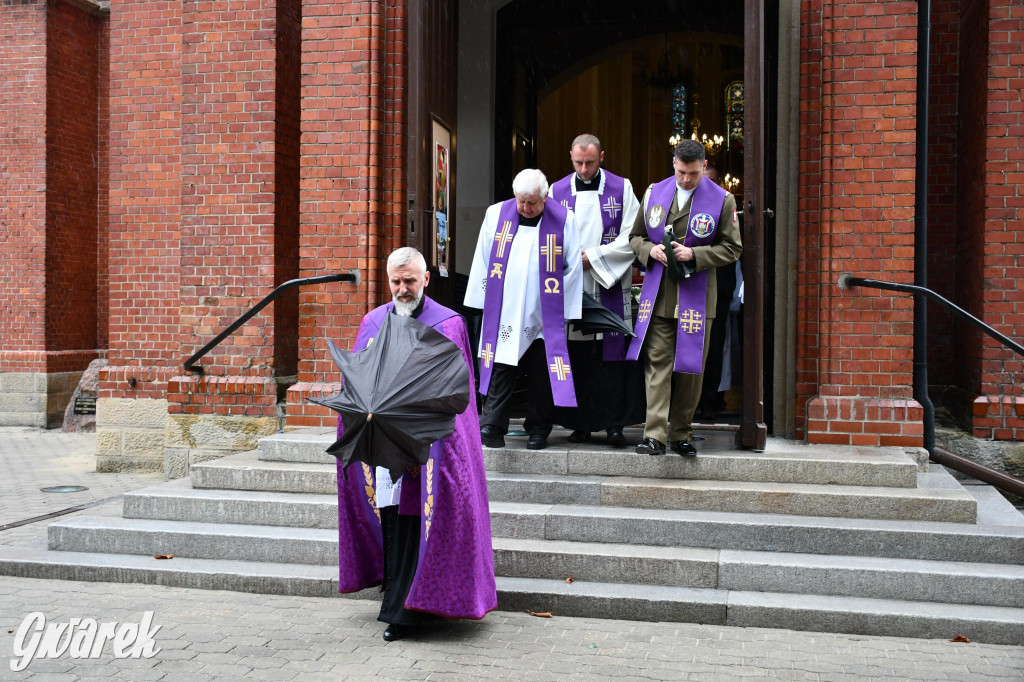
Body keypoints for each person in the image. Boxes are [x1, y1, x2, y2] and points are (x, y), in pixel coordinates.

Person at [335, 247, 497, 641]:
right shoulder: (372, 322)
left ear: (426, 279)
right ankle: (397, 599)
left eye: (410, 281)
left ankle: (408, 613)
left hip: (428, 445)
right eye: (396, 281)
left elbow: (457, 393)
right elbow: (354, 382)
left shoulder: (449, 323)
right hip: (383, 445)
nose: (403, 289)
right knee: (393, 523)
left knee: (416, 523)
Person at [627, 140, 742, 456]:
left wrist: (696, 253)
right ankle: (655, 435)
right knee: (658, 364)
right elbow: (634, 236)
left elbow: (733, 248)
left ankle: (681, 433)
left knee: (691, 368)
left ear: (703, 167)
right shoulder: (654, 193)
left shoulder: (722, 199)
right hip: (661, 294)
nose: (686, 179)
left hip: (697, 295)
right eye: (680, 172)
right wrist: (649, 250)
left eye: (692, 173)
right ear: (673, 164)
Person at [464, 168, 582, 451]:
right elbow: (483, 257)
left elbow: (573, 265)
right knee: (502, 364)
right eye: (521, 201)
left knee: (542, 370)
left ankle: (539, 429)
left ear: (545, 197)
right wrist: (481, 303)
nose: (526, 208)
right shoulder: (496, 214)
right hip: (504, 307)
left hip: (545, 311)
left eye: (532, 202)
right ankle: (492, 424)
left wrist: (560, 308)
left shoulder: (565, 219)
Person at [548, 134, 644, 447]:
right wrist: (572, 263)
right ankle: (581, 424)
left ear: (602, 156)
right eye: (578, 163)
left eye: (590, 162)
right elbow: (548, 236)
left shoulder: (622, 188)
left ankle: (614, 425)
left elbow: (634, 234)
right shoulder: (557, 191)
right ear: (570, 157)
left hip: (609, 282)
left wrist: (595, 258)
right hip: (572, 283)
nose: (585, 168)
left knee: (611, 358)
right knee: (578, 357)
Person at [697, 163, 739, 421]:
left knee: (713, 348)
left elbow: (732, 248)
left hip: (718, 287)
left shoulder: (724, 203)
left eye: (710, 181)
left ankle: (709, 401)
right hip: (684, 286)